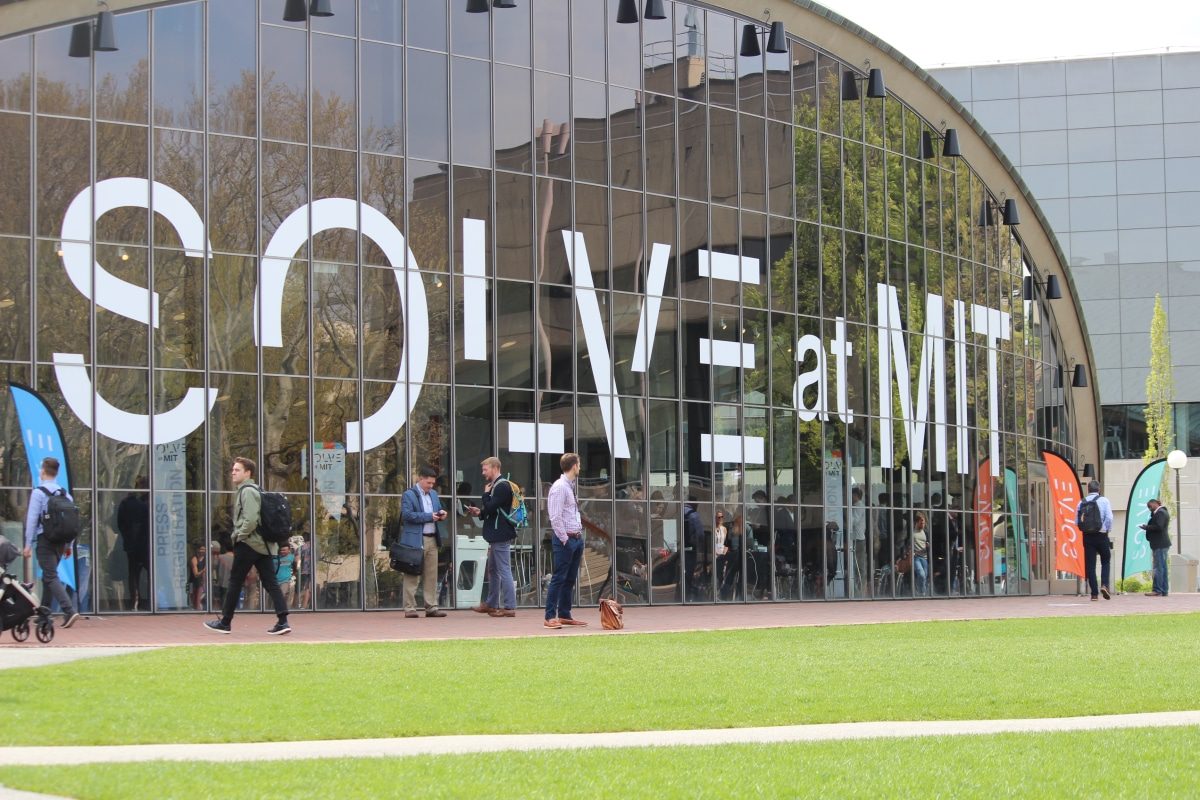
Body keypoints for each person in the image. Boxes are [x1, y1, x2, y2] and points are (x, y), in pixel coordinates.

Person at [205, 457, 291, 635]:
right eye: (233, 470)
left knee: (235, 581)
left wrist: (237, 535)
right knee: (270, 583)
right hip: (264, 546)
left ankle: (225, 622)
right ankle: (283, 621)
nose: (233, 472)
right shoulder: (256, 490)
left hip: (250, 544)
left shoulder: (247, 491)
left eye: (237, 470)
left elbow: (250, 519)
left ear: (247, 473)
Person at [23, 456, 81, 628]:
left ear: (42, 471)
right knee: (49, 576)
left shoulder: (39, 492)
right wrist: (69, 545)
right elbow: (71, 522)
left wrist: (27, 544)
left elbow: (32, 519)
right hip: (61, 542)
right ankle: (44, 613)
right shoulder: (65, 494)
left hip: (46, 540)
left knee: (50, 576)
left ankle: (69, 610)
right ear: (56, 473)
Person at [466, 457, 518, 617]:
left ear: (495, 468)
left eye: (485, 469)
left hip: (500, 534)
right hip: (497, 533)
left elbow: (491, 506)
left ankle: (509, 607)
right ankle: (491, 603)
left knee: (503, 569)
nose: (483, 473)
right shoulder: (498, 485)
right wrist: (480, 512)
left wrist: (485, 494)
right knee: (493, 569)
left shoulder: (501, 486)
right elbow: (491, 510)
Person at [399, 465, 449, 619]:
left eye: (433, 483)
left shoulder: (433, 494)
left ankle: (431, 607)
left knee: (431, 575)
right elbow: (407, 515)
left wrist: (442, 514)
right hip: (415, 540)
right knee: (412, 574)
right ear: (420, 479)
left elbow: (438, 509)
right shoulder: (409, 495)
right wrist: (429, 516)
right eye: (428, 483)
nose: (431, 486)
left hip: (432, 539)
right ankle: (410, 608)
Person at [544, 452, 587, 629]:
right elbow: (555, 517)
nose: (580, 467)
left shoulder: (570, 486)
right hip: (566, 539)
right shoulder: (560, 487)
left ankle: (564, 613)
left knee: (569, 579)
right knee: (559, 578)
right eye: (579, 464)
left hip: (576, 537)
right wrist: (564, 540)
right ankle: (549, 616)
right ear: (574, 466)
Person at [1076, 479, 1114, 601]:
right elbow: (1109, 518)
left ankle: (1094, 594)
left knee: (1090, 565)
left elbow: (1077, 522)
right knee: (1106, 561)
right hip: (1101, 535)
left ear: (1088, 489)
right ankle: (1104, 585)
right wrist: (1107, 529)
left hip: (1087, 536)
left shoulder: (1081, 502)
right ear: (1099, 489)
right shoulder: (1104, 500)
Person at [1141, 498, 1171, 597]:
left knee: (1158, 567)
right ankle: (1164, 590)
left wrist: (1146, 527)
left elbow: (1159, 526)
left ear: (1155, 504)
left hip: (1160, 544)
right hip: (1161, 544)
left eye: (1150, 506)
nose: (1149, 508)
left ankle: (1157, 590)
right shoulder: (1160, 512)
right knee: (1162, 567)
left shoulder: (1161, 513)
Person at [911, 511, 930, 596]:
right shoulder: (913, 533)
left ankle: (921, 591)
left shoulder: (925, 532)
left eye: (924, 522)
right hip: (916, 557)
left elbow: (928, 543)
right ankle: (921, 591)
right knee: (921, 574)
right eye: (921, 522)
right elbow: (908, 544)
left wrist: (928, 546)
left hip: (924, 557)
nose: (923, 524)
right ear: (917, 522)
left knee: (924, 576)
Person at [188, 542, 207, 610]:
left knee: (198, 601)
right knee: (191, 600)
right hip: (191, 582)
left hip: (200, 583)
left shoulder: (206, 559)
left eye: (204, 549)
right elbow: (196, 574)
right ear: (198, 550)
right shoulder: (194, 558)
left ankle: (198, 612)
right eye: (201, 549)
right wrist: (203, 570)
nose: (203, 551)